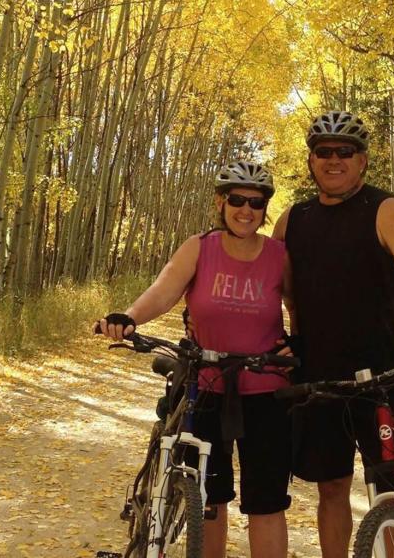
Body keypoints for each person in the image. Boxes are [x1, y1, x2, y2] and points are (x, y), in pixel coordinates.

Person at [273, 110, 394, 558]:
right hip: (318, 376)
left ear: (363, 160)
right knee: (331, 487)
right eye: (324, 152)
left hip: (380, 375)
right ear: (311, 160)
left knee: (389, 488)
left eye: (345, 152)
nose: (334, 160)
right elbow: (286, 293)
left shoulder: (385, 210)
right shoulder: (292, 220)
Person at [97, 160, 292, 558]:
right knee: (208, 498)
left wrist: (301, 343)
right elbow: (164, 290)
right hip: (205, 385)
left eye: (256, 203)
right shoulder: (199, 247)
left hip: (267, 389)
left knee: (267, 503)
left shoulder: (279, 255)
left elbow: (301, 309)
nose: (246, 210)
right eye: (236, 199)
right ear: (221, 202)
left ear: (264, 208)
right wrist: (130, 317)